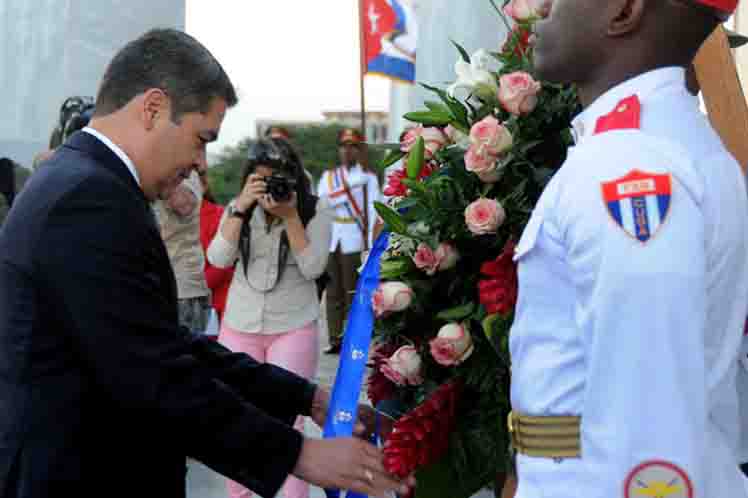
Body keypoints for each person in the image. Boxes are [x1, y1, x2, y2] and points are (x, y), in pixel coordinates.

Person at [0, 28, 412, 498]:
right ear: (153, 108)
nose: (200, 162)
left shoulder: (84, 181)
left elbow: (164, 343)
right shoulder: (90, 198)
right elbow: (153, 376)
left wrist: (305, 398)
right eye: (201, 139)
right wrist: (301, 454)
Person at [507, 1, 748, 497]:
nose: (544, 8)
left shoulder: (628, 164)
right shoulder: (670, 143)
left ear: (624, 11)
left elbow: (647, 416)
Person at [207, 138, 333, 498]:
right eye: (261, 180)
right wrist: (241, 208)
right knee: (236, 416)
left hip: (293, 324)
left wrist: (292, 218)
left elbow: (313, 268)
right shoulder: (238, 207)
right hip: (240, 324)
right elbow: (218, 258)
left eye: (276, 179)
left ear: (292, 177)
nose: (270, 189)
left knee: (287, 421)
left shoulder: (315, 209)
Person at [317, 128, 381, 354]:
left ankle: (351, 339)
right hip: (333, 236)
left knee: (352, 292)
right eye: (344, 146)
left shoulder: (369, 179)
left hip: (355, 235)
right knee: (333, 292)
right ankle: (335, 338)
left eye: (353, 146)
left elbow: (374, 211)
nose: (348, 150)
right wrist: (352, 187)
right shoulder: (329, 177)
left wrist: (372, 242)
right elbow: (323, 203)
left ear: (359, 150)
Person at [155, 170, 212, 334]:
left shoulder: (179, 172)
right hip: (169, 286)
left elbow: (183, 205)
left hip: (183, 291)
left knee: (182, 354)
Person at [199, 170, 234, 325]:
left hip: (218, 305)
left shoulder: (218, 215)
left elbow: (222, 265)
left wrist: (193, 287)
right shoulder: (164, 218)